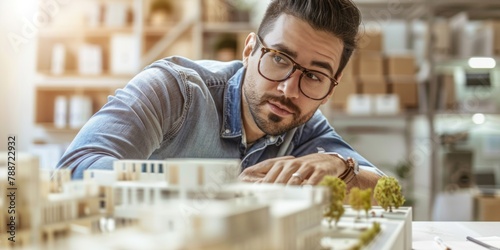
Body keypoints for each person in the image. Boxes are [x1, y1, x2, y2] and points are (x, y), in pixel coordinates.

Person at [56, 0, 384, 189]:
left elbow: (383, 188)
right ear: (249, 49)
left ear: (331, 87)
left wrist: (340, 165)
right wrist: (216, 191)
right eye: (279, 58)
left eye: (313, 75)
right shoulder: (173, 90)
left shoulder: (306, 126)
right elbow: (74, 170)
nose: (288, 89)